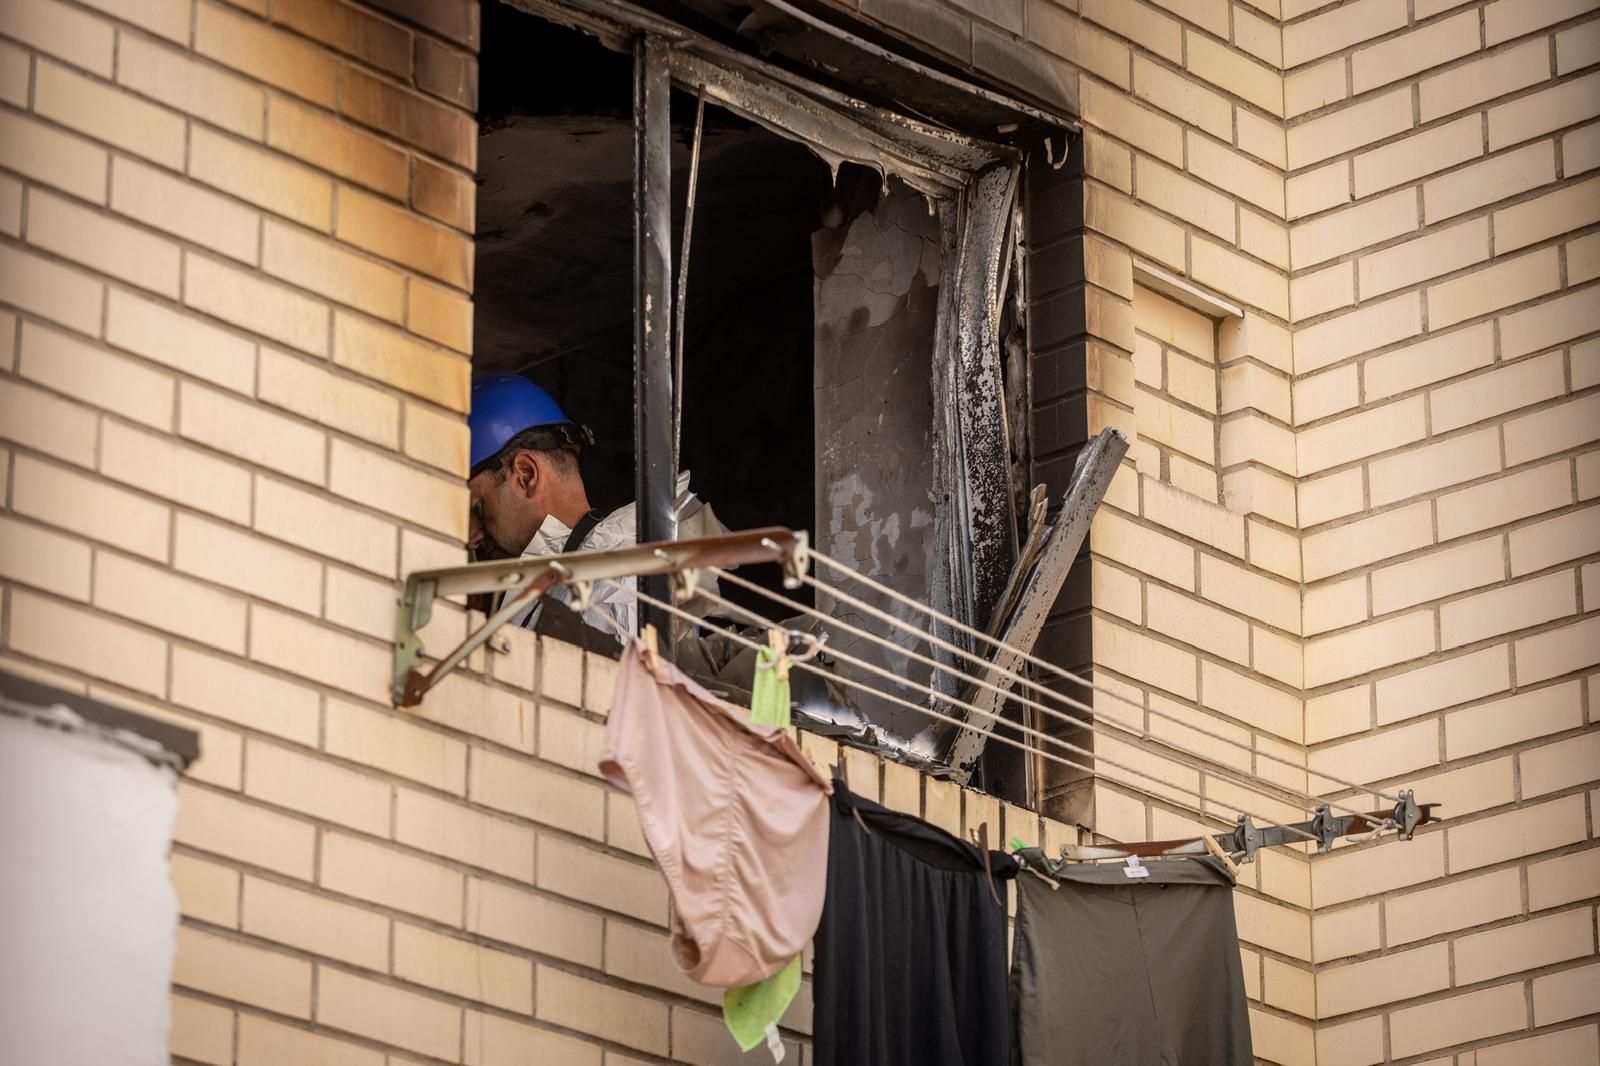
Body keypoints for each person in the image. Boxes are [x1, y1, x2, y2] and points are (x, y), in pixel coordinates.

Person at [467, 374, 721, 641]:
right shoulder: (561, 583)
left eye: (479, 509)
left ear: (526, 475)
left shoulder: (623, 579)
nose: (472, 538)